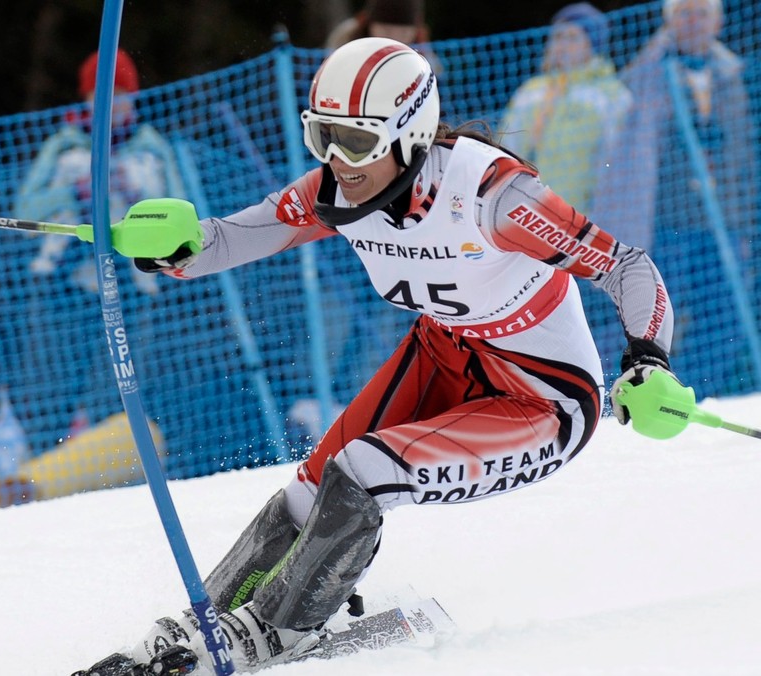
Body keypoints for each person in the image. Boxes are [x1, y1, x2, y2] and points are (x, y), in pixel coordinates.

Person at [75, 37, 678, 675]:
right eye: (322, 137)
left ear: (409, 134)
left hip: (542, 399)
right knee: (313, 487)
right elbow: (225, 239)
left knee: (363, 470)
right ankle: (208, 625)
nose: (338, 161)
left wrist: (648, 359)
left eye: (356, 142)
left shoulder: (495, 199)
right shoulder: (336, 193)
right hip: (445, 355)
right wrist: (174, 242)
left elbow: (625, 267)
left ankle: (277, 632)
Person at [14, 49, 184, 452]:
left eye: (120, 95)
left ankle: (106, 472)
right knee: (50, 387)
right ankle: (42, 469)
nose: (111, 105)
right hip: (64, 288)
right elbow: (23, 213)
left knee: (117, 390)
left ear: (134, 98)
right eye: (100, 96)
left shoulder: (151, 150)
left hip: (132, 291)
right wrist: (72, 192)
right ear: (86, 100)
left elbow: (184, 220)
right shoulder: (64, 147)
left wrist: (139, 199)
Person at [591, 0, 754, 390]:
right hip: (664, 221)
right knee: (655, 311)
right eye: (683, 13)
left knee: (724, 312)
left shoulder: (736, 74)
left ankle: (703, 387)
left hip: (724, 219)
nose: (692, 22)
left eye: (701, 13)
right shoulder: (645, 73)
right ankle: (638, 384)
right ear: (670, 23)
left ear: (717, 22)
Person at [499, 3, 630, 215]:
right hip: (525, 211)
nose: (562, 45)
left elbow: (615, 161)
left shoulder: (611, 95)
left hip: (581, 215)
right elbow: (505, 145)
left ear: (593, 45)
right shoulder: (531, 91)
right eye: (558, 37)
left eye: (572, 38)